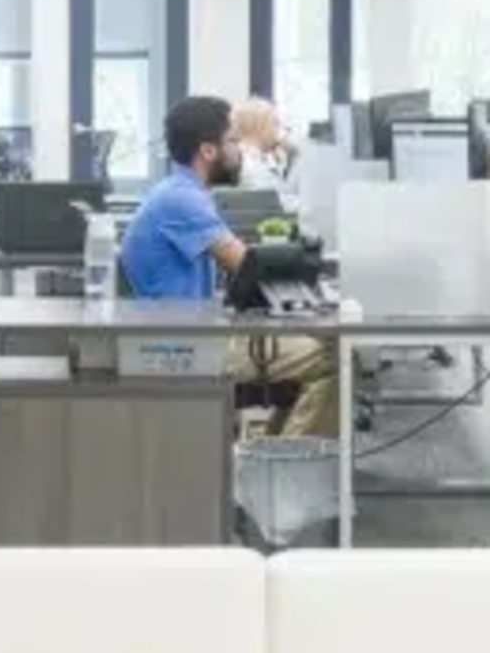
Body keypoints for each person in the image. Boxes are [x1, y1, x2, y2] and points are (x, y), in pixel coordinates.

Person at [117, 92, 340, 438]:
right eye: (233, 141)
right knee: (335, 360)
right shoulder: (182, 199)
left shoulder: (182, 191)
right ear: (208, 151)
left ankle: (271, 458)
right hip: (185, 345)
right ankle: (283, 471)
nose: (240, 152)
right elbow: (245, 263)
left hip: (193, 331)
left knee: (319, 347)